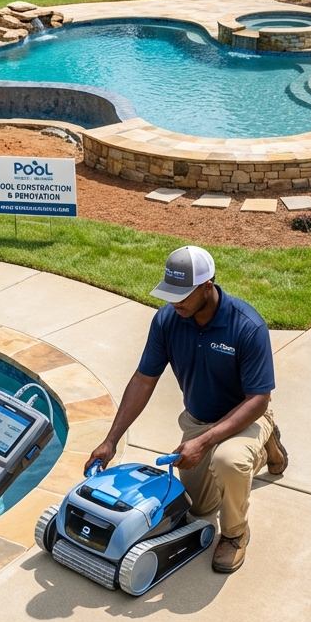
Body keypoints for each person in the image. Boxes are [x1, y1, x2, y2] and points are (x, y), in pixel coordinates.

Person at [86, 245, 288, 574]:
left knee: (229, 461)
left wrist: (206, 443)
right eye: (171, 293)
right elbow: (143, 379)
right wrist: (111, 439)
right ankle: (265, 451)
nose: (175, 301)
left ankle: (236, 535)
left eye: (183, 294)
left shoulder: (247, 326)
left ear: (208, 285)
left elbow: (258, 399)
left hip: (246, 417)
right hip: (198, 421)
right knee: (199, 507)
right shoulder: (168, 320)